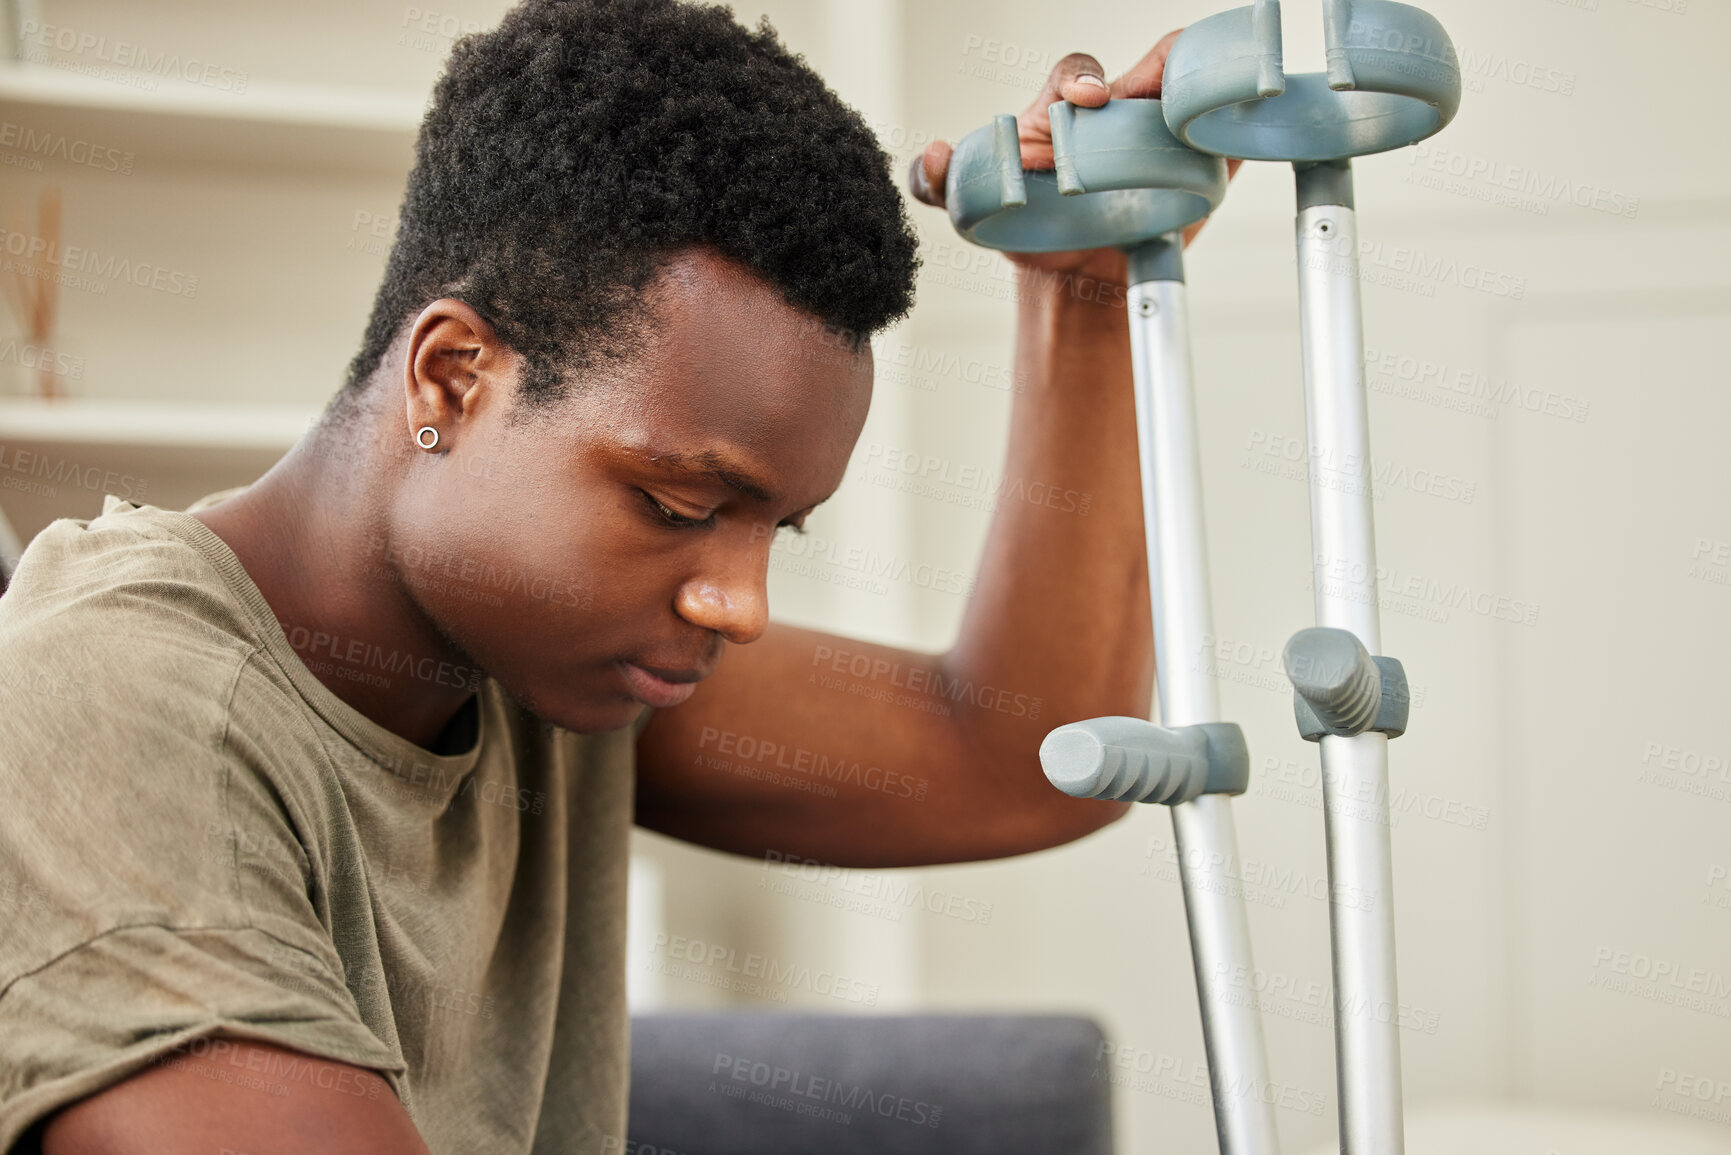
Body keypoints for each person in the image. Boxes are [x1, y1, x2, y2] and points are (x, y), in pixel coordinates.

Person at [0, 1, 1231, 1151]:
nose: (738, 605)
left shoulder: (535, 666)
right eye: (679, 506)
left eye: (776, 531)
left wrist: (1087, 292)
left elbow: (1014, 761)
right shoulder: (114, 697)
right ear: (451, 379)